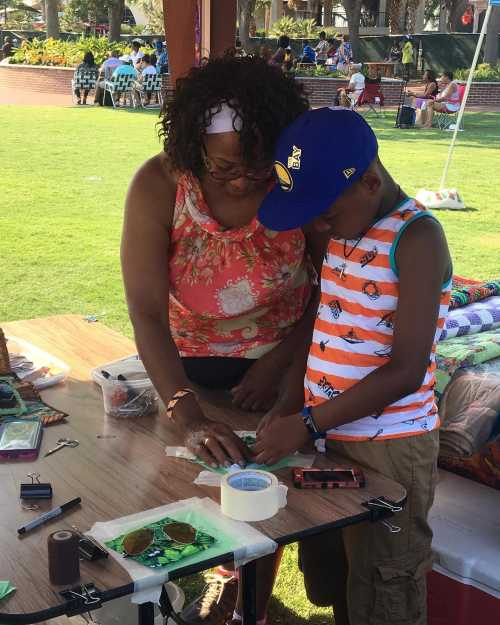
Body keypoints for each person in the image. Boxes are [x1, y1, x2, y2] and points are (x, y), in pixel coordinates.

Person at [121, 55, 324, 625]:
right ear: (192, 150)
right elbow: (145, 310)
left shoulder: (295, 179)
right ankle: (177, 590)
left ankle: (245, 603)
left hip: (285, 369)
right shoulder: (159, 186)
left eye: (257, 168)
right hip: (188, 365)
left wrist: (283, 367)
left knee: (266, 494)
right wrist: (185, 412)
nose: (241, 181)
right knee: (185, 480)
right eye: (222, 169)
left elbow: (333, 289)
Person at [256, 107, 452, 625]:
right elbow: (328, 328)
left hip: (393, 447)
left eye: (324, 212)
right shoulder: (345, 224)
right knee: (336, 570)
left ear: (368, 182)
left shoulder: (417, 239)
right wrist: (290, 407)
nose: (317, 226)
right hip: (331, 434)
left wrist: (307, 423)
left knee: (385, 580)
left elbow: (407, 369)